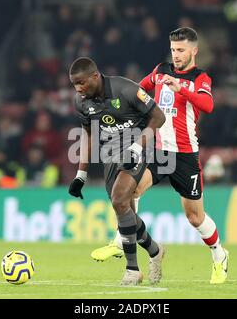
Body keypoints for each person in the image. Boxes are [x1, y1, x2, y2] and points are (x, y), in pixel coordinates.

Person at [91, 27, 229, 284]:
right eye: (173, 50)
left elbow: (208, 105)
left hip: (186, 155)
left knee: (195, 217)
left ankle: (219, 255)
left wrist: (180, 89)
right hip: (159, 152)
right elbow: (137, 90)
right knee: (130, 191)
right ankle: (121, 239)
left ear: (194, 51)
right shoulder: (160, 71)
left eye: (181, 50)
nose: (176, 55)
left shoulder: (201, 79)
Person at [67, 57, 166, 286]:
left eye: (81, 82)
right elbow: (89, 134)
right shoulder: (81, 101)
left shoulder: (126, 89)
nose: (78, 88)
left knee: (119, 199)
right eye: (74, 84)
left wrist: (137, 146)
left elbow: (158, 117)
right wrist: (81, 174)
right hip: (110, 155)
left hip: (140, 147)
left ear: (95, 76)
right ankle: (155, 250)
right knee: (124, 210)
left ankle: (132, 270)